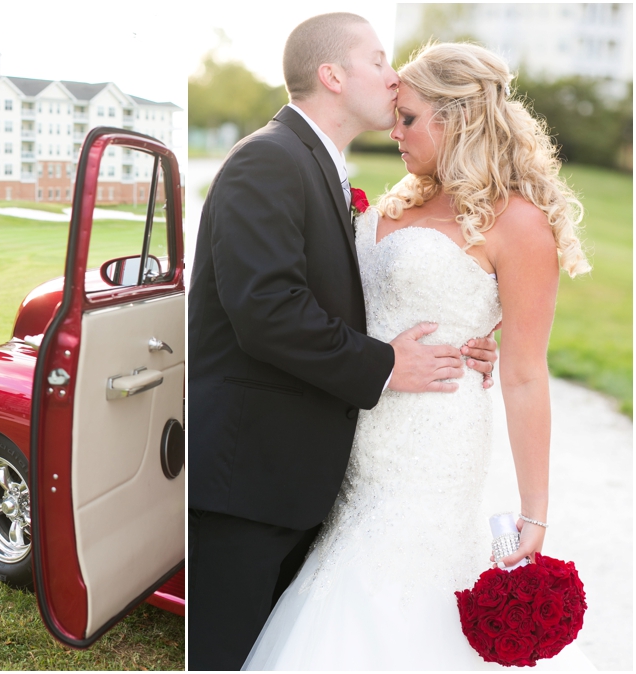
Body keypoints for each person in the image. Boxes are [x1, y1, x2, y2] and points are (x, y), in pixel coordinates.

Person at [242, 42, 595, 669]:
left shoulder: (519, 224)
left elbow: (523, 373)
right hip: (353, 431)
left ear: (457, 118)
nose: (393, 130)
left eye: (408, 118)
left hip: (431, 444)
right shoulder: (404, 197)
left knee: (385, 591)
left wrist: (534, 514)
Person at [188, 13, 498, 670]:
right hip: (245, 477)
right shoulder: (268, 160)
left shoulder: (315, 165)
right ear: (332, 75)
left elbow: (344, 295)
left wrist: (466, 333)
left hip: (294, 479)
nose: (394, 77)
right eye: (381, 61)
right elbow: (267, 308)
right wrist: (389, 363)